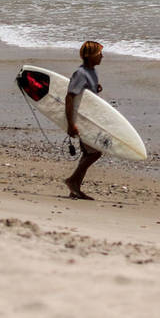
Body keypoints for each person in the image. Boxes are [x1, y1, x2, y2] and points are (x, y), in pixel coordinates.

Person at [65, 40, 104, 199]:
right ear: (90, 56)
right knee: (95, 153)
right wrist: (70, 124)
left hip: (87, 119)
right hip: (80, 121)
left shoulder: (91, 71)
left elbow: (85, 96)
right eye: (99, 53)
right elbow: (69, 97)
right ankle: (73, 181)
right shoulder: (80, 73)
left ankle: (74, 189)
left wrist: (96, 89)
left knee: (87, 153)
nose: (102, 56)